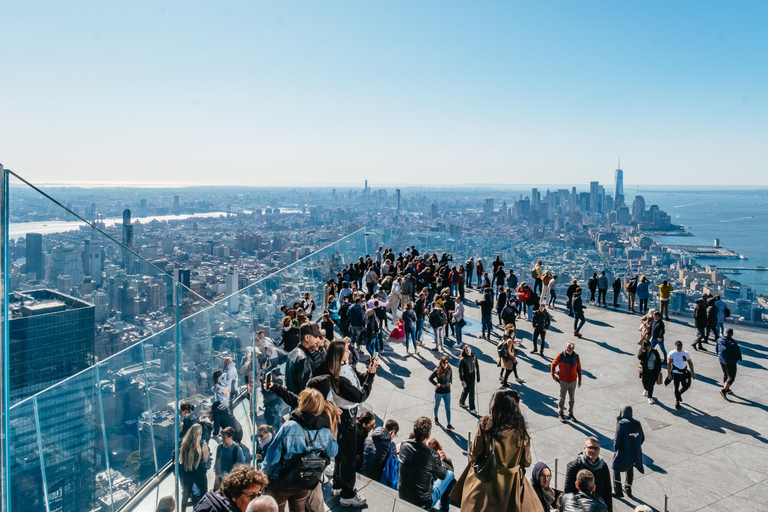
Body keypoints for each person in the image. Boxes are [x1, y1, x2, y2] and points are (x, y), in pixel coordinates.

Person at [450, 388, 542, 512]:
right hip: (511, 485)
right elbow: (526, 462)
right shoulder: (521, 430)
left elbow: (474, 453)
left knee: (471, 502)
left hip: (487, 480)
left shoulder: (487, 424)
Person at [263, 388, 339, 512]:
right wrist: (331, 429)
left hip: (281, 480)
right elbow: (332, 452)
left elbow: (272, 458)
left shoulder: (289, 427)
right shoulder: (325, 430)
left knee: (277, 507)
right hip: (305, 481)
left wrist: (263, 476)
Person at [323, 340, 378, 507]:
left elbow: (359, 380)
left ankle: (339, 484)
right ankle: (348, 494)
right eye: (347, 350)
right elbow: (360, 396)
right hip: (346, 417)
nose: (350, 351)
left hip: (347, 415)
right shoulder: (339, 376)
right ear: (339, 354)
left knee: (342, 454)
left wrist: (369, 372)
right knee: (348, 457)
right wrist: (372, 376)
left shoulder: (343, 368)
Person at [398, 417, 454, 512]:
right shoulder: (432, 455)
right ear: (428, 435)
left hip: (402, 495)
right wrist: (440, 460)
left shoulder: (404, 445)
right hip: (423, 502)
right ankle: (443, 510)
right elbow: (443, 475)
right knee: (451, 475)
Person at [564, 438, 613, 512]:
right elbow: (568, 491)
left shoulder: (603, 466)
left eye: (596, 448)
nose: (593, 450)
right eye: (590, 447)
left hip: (598, 507)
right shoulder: (574, 466)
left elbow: (607, 491)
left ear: (599, 450)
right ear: (584, 448)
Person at [195, 465, 269, 512]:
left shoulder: (214, 499)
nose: (255, 500)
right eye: (252, 495)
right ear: (235, 493)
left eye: (258, 494)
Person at [611, 406, 644, 499]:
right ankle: (628, 489)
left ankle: (618, 490)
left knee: (615, 468)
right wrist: (635, 446)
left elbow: (617, 440)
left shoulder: (621, 424)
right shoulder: (637, 423)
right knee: (630, 468)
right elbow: (642, 438)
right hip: (634, 451)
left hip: (623, 451)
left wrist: (617, 449)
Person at [285, 322, 323, 394]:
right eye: (316, 337)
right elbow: (307, 392)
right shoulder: (304, 359)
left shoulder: (292, 353)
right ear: (307, 338)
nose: (318, 340)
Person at [180, 424, 209, 510]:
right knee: (204, 493)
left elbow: (181, 458)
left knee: (186, 494)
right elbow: (205, 458)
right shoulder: (202, 443)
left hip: (187, 472)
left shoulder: (184, 443)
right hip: (199, 472)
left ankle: (182, 510)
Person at [551, 342, 582, 423]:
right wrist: (553, 375)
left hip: (573, 381)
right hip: (563, 381)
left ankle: (570, 414)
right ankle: (560, 413)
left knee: (572, 399)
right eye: (567, 347)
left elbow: (579, 368)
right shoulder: (561, 355)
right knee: (562, 398)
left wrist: (580, 380)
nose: (568, 349)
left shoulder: (576, 356)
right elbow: (553, 364)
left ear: (573, 349)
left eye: (570, 348)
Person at [667, 340, 696, 410]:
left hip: (684, 372)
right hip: (676, 373)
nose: (679, 348)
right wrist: (669, 373)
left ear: (682, 346)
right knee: (676, 387)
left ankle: (679, 394)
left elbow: (690, 362)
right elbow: (668, 363)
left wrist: (693, 372)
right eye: (678, 347)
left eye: (680, 347)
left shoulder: (686, 353)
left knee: (686, 386)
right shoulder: (672, 353)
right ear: (675, 346)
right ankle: (677, 400)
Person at [716, 328, 742, 400]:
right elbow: (737, 353)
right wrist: (738, 358)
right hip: (730, 362)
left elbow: (717, 349)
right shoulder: (733, 343)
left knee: (725, 374)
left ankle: (727, 389)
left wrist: (719, 356)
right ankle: (724, 390)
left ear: (725, 333)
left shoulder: (719, 340)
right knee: (731, 377)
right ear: (732, 334)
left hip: (721, 360)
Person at [429, 356, 454, 430]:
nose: (446, 364)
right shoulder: (437, 370)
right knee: (437, 406)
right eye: (445, 363)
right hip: (439, 392)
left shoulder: (449, 369)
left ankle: (449, 423)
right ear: (441, 363)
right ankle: (436, 417)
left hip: (447, 392)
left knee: (448, 408)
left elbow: (451, 377)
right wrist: (436, 384)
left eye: (447, 362)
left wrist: (450, 382)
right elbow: (430, 378)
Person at [458, 345, 480, 415]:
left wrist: (478, 377)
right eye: (466, 350)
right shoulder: (463, 360)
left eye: (469, 350)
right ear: (465, 351)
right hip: (466, 378)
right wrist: (462, 380)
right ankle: (471, 408)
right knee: (466, 390)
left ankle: (463, 403)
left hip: (472, 378)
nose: (468, 351)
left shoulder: (474, 357)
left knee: (471, 392)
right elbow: (460, 371)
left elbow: (477, 367)